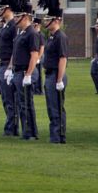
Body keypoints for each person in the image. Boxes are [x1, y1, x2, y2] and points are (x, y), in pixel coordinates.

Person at [11, 9, 43, 140]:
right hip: (18, 71)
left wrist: (28, 74)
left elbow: (34, 55)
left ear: (24, 17)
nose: (15, 19)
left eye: (17, 16)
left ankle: (30, 132)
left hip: (25, 71)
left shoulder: (32, 33)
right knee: (22, 102)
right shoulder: (21, 33)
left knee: (26, 103)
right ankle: (27, 131)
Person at [42, 9, 69, 144]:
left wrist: (59, 79)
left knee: (56, 107)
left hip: (56, 75)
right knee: (51, 107)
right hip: (50, 75)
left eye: (48, 19)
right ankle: (55, 135)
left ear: (56, 20)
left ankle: (58, 136)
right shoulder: (51, 36)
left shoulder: (60, 37)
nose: (45, 22)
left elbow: (63, 59)